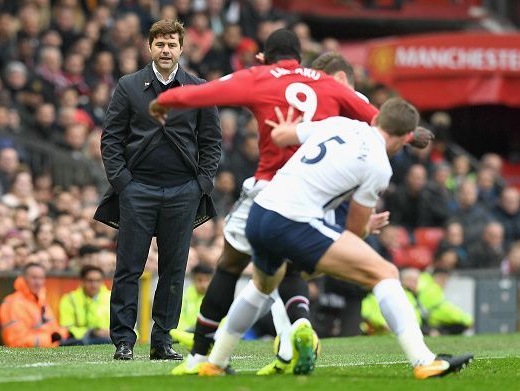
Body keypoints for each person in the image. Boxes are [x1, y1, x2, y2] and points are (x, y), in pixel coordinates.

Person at [149, 28, 433, 374]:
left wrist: (166, 101)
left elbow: (208, 91)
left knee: (232, 266)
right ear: (300, 57)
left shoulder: (259, 76)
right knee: (292, 270)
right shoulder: (329, 85)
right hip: (321, 198)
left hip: (269, 191)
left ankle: (203, 356)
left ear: (264, 57)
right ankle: (298, 329)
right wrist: (412, 134)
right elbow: (374, 115)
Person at [198, 98, 473, 379]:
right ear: (404, 139)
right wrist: (368, 225)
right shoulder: (379, 165)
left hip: (260, 212)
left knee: (261, 287)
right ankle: (424, 360)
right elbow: (353, 231)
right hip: (292, 221)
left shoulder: (341, 124)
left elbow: (283, 136)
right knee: (385, 272)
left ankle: (214, 362)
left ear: (376, 119)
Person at [93, 19, 221, 361]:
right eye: (160, 44)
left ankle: (162, 341)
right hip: (138, 190)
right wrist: (123, 184)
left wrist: (201, 185)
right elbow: (111, 138)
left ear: (182, 48)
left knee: (174, 270)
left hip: (183, 191)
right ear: (149, 47)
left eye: (172, 44)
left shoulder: (197, 88)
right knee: (128, 269)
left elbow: (211, 142)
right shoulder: (128, 85)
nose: (166, 50)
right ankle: (123, 340)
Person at [0, 263, 70, 348]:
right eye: (34, 278)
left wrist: (61, 333)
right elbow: (16, 342)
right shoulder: (13, 303)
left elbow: (55, 329)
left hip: (50, 350)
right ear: (24, 279)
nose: (38, 282)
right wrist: (50, 339)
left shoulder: (41, 300)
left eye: (41, 278)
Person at [59, 265, 111, 345]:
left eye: (98, 280)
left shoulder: (112, 298)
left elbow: (127, 327)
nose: (94, 284)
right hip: (80, 341)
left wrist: (112, 332)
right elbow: (66, 327)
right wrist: (92, 332)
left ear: (102, 281)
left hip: (109, 339)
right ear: (82, 281)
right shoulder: (69, 299)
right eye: (90, 280)